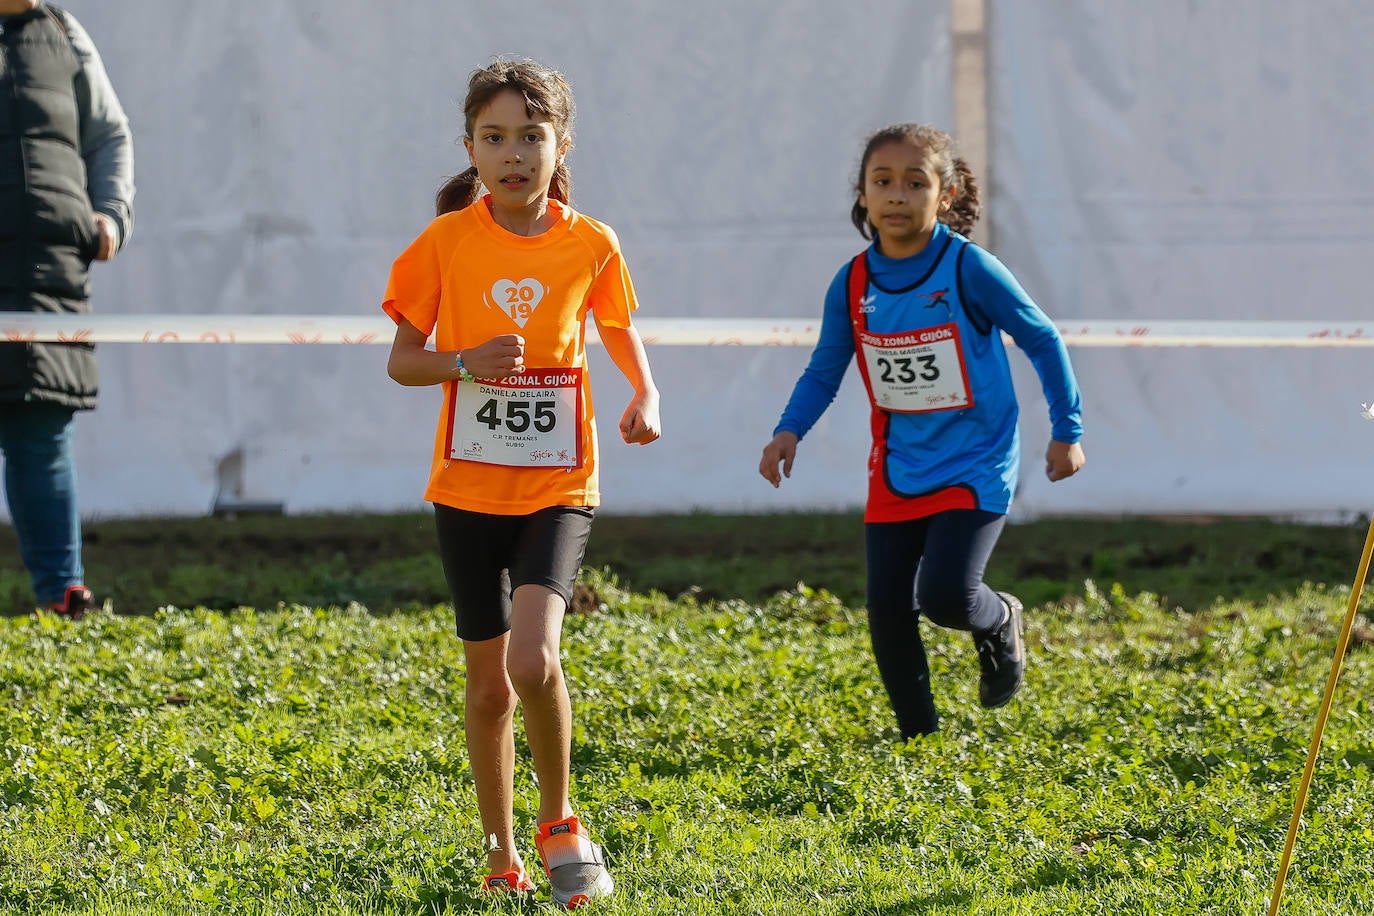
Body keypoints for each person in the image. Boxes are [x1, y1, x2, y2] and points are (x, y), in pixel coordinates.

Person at [382, 58, 660, 908]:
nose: (513, 154)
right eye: (495, 138)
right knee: (489, 683)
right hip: (466, 490)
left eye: (530, 137)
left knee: (534, 657)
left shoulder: (592, 242)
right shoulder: (445, 242)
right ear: (470, 148)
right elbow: (402, 362)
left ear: (560, 146)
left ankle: (560, 823)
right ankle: (501, 855)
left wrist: (645, 390)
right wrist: (463, 362)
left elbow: (615, 326)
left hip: (559, 483)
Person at [759, 123, 1084, 740]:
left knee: (943, 596)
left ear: (946, 192)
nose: (898, 195)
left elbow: (1042, 338)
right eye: (883, 181)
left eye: (916, 182)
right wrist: (788, 430)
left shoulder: (968, 269)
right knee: (887, 609)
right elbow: (827, 367)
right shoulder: (852, 283)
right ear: (861, 194)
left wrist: (1067, 429)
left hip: (976, 462)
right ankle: (919, 737)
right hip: (899, 466)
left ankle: (998, 618)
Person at [0, 1, 134, 619]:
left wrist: (109, 213)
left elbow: (108, 133)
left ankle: (62, 597)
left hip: (47, 271)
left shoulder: (62, 29)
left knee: (42, 431)